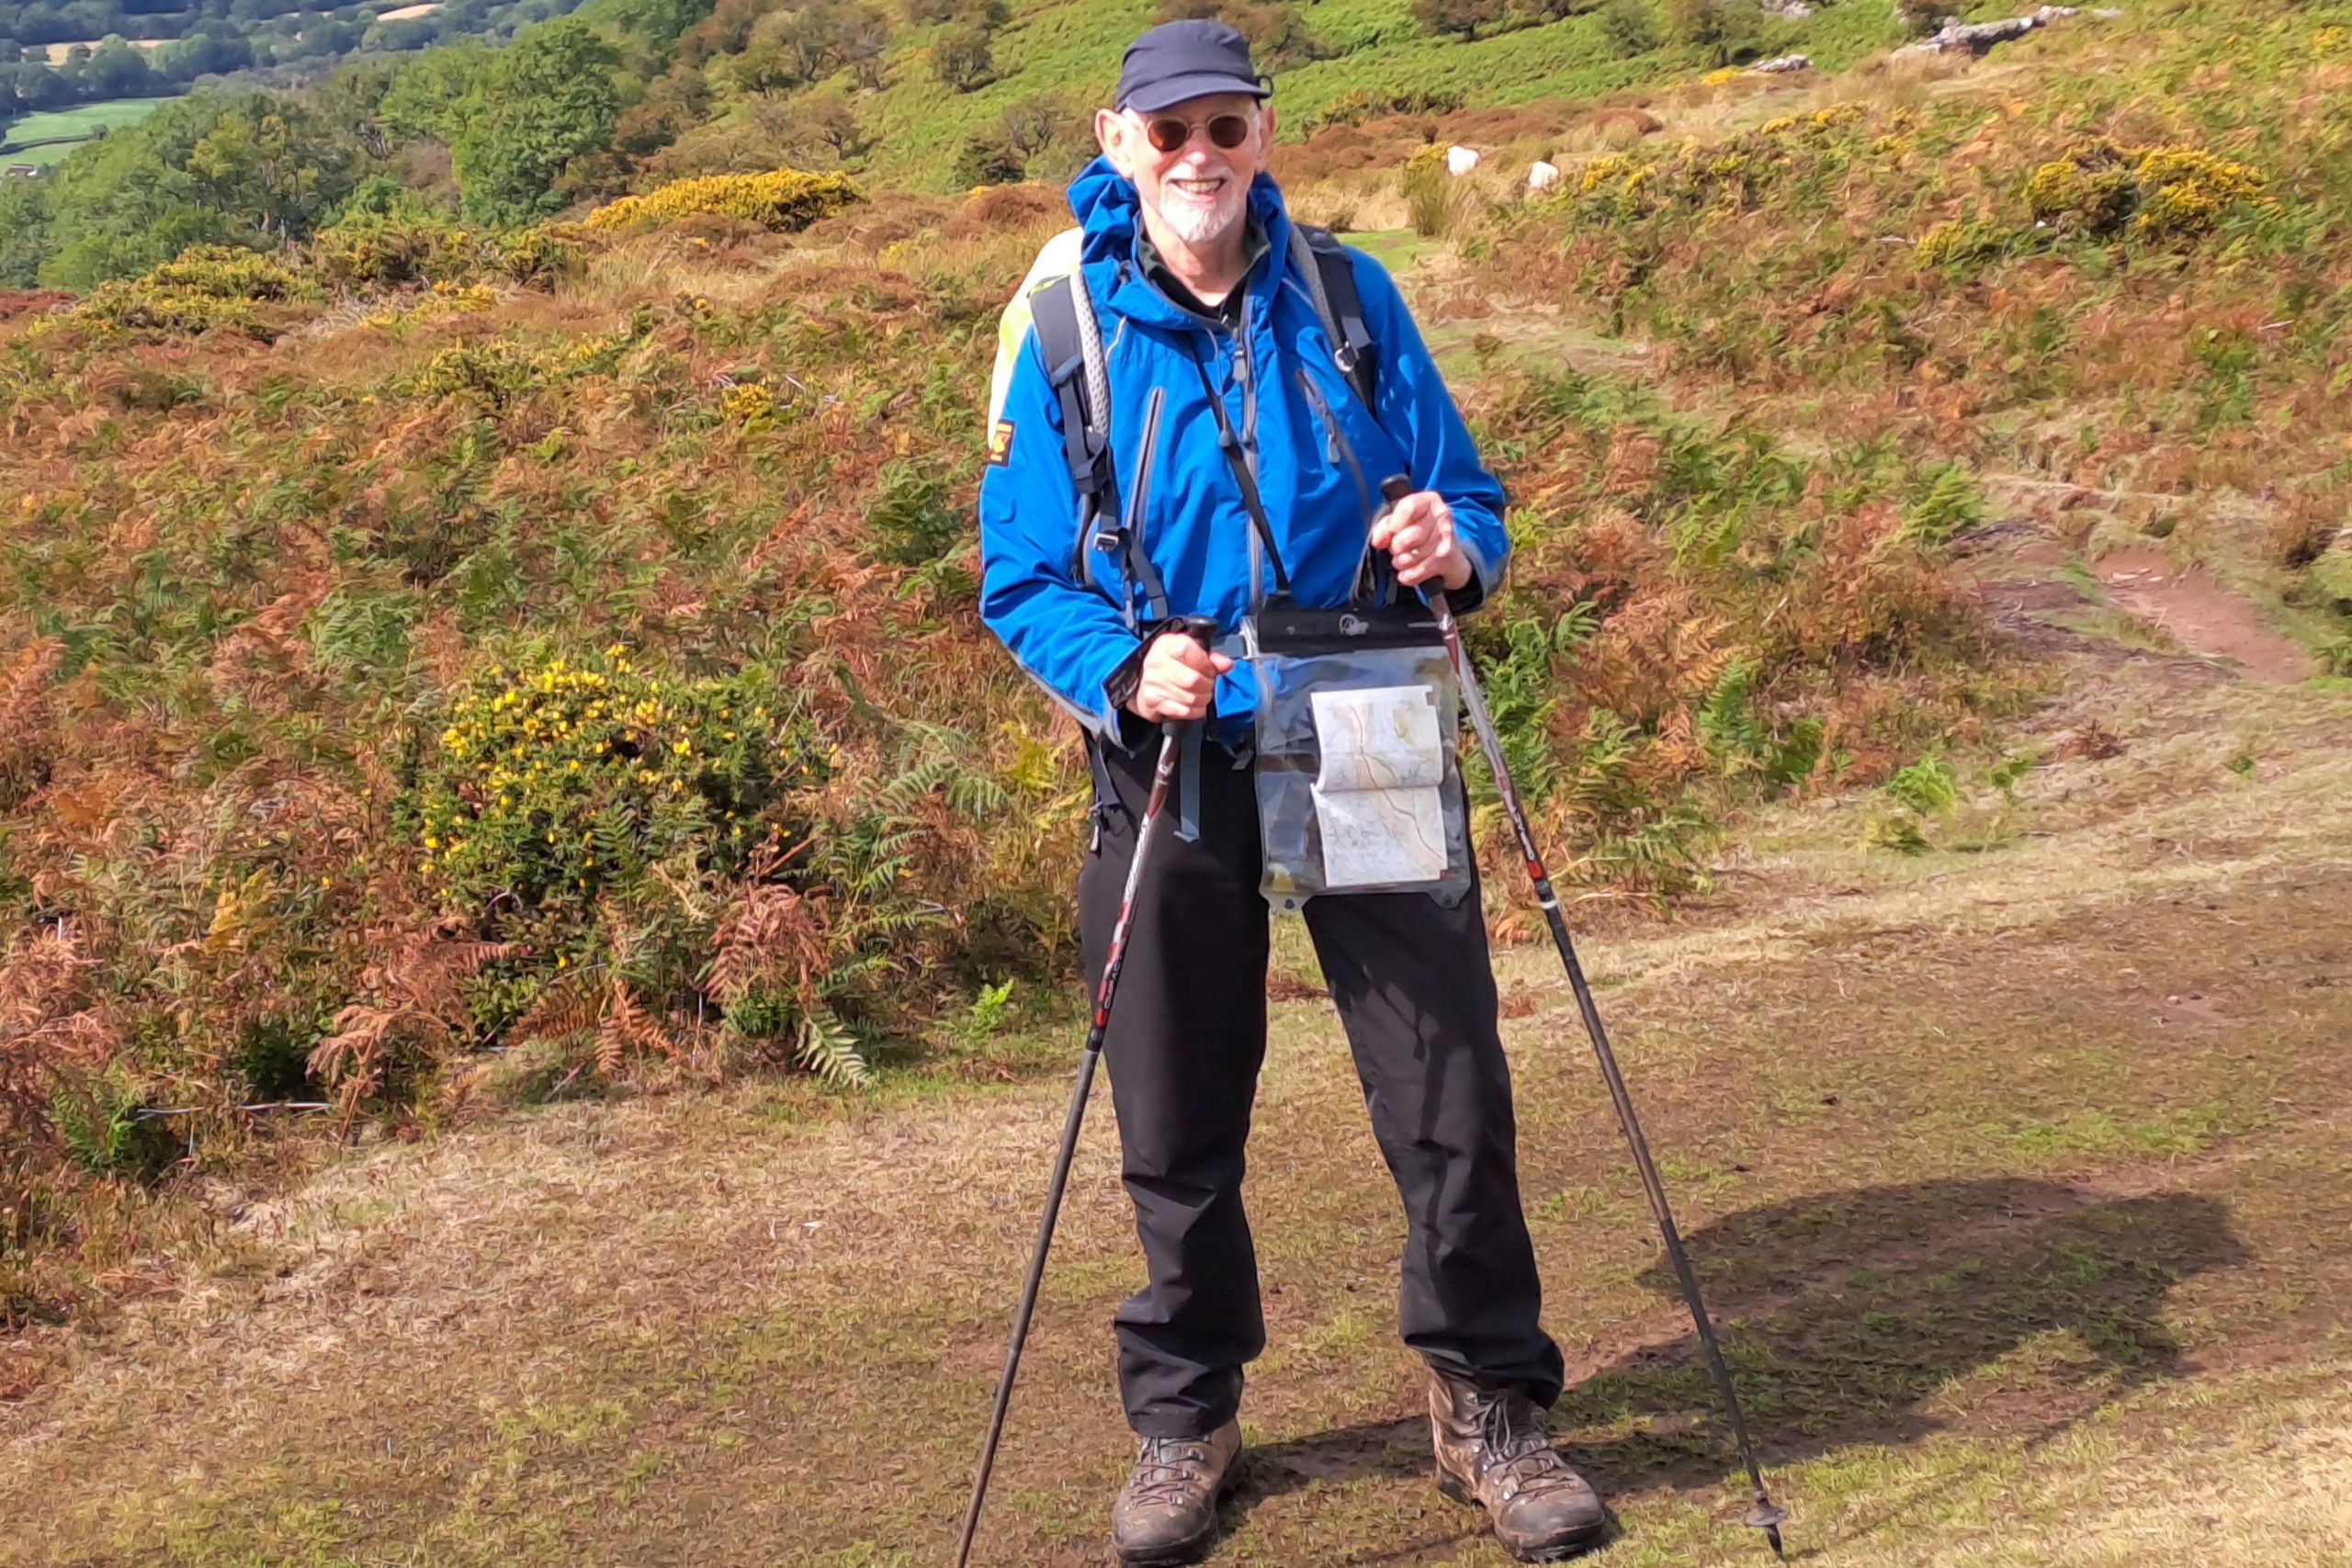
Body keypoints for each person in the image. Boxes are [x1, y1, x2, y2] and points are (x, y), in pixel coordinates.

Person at [976, 20, 1607, 1565]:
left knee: (1446, 1084)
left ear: (1265, 134)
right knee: (1173, 1107)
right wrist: (1127, 670)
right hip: (1171, 752)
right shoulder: (1061, 321)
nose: (1201, 157)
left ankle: (1489, 1412)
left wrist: (1456, 547)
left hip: (1364, 724)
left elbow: (1469, 493)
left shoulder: (1349, 295)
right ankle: (1186, 1424)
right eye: (1171, 130)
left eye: (1228, 128)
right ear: (1118, 139)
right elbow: (1020, 576)